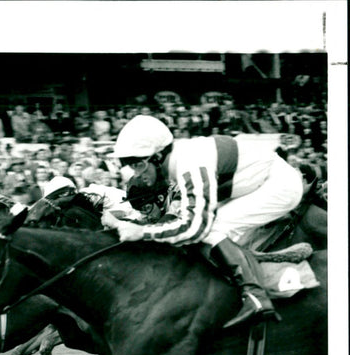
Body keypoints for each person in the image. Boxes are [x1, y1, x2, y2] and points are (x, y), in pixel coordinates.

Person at [107, 114, 303, 327]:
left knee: (213, 229)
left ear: (157, 156)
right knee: (211, 233)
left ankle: (255, 297)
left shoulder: (190, 163)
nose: (136, 174)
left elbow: (195, 227)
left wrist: (142, 233)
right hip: (254, 185)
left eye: (138, 165)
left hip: (278, 184)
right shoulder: (178, 163)